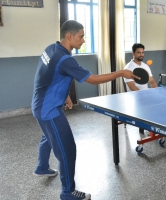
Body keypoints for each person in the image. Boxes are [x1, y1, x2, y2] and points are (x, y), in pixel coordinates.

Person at [31, 20, 138, 200]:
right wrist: (120, 73)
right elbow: (93, 79)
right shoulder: (66, 59)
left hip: (40, 104)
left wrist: (64, 95)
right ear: (69, 36)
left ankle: (42, 167)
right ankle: (67, 192)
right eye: (81, 37)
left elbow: (47, 75)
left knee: (48, 136)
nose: (83, 41)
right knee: (67, 149)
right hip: (49, 110)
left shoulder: (51, 49)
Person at [123, 43, 157, 134]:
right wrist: (145, 96)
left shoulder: (145, 66)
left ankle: (155, 128)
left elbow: (152, 81)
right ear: (133, 53)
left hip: (145, 94)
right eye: (138, 52)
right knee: (148, 105)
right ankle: (145, 127)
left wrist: (158, 92)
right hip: (134, 96)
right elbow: (131, 86)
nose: (141, 54)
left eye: (142, 52)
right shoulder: (128, 68)